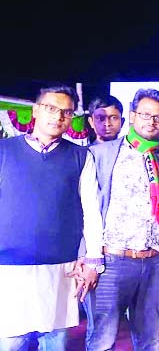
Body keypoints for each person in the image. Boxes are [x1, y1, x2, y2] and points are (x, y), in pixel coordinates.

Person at [0, 86, 103, 350]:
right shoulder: (5, 151)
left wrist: (93, 259)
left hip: (61, 268)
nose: (58, 117)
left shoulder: (80, 156)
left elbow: (91, 209)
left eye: (66, 112)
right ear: (35, 110)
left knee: (54, 341)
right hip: (8, 267)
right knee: (10, 342)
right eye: (51, 108)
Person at [86, 88, 159, 350]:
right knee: (102, 339)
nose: (151, 121)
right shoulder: (102, 154)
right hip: (113, 262)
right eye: (145, 114)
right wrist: (86, 256)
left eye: (158, 118)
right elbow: (85, 207)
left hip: (157, 262)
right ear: (131, 116)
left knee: (151, 338)